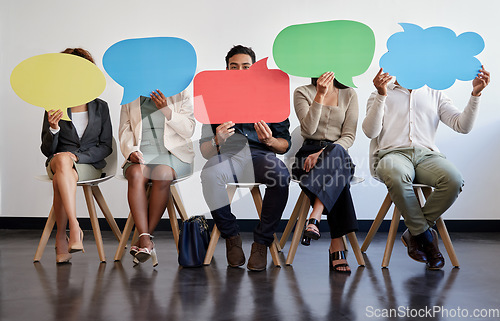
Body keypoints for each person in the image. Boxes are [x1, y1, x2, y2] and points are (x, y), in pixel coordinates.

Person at [363, 66, 490, 270]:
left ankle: (415, 232)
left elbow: (462, 126)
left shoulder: (435, 92)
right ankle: (427, 241)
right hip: (392, 154)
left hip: (427, 155)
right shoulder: (382, 91)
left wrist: (475, 94)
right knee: (396, 175)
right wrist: (380, 95)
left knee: (453, 180)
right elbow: (370, 132)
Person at [200, 45, 291, 271]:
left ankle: (261, 242)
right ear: (226, 70)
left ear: (254, 69)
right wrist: (217, 140)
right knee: (210, 174)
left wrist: (269, 140)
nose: (240, 71)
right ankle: (231, 237)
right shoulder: (215, 99)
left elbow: (284, 145)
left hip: (260, 155)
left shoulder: (271, 97)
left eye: (246, 67)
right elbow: (204, 151)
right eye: (234, 67)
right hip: (228, 156)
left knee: (280, 175)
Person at [41, 48, 113, 264]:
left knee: (62, 174)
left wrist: (77, 157)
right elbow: (47, 149)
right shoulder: (54, 104)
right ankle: (75, 227)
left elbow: (106, 146)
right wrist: (53, 129)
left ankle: (62, 238)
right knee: (62, 161)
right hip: (57, 161)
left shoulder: (101, 107)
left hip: (87, 164)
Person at [119, 88, 195, 266]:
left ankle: (143, 239)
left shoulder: (180, 91)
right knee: (136, 173)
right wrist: (131, 152)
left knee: (162, 173)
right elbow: (124, 129)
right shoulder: (131, 92)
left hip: (172, 153)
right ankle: (146, 240)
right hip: (141, 152)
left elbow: (189, 129)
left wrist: (166, 110)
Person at [292, 72, 359, 273]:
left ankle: (315, 216)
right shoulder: (302, 92)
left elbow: (348, 137)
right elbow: (308, 131)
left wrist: (324, 152)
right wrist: (320, 95)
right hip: (307, 156)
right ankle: (336, 246)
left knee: (337, 152)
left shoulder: (349, 94)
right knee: (340, 181)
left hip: (337, 153)